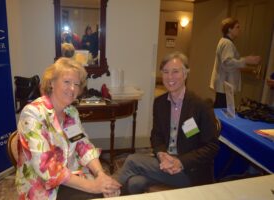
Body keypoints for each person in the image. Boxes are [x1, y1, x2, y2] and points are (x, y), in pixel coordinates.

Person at [15, 58, 121, 200]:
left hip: (71, 178)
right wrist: (93, 186)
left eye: (77, 84)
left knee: (113, 190)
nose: (72, 88)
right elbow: (45, 167)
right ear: (52, 83)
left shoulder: (71, 112)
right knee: (97, 194)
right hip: (43, 188)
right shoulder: (33, 113)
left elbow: (84, 146)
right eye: (67, 82)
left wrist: (100, 175)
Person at [116, 52, 219, 194]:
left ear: (185, 74)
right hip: (165, 163)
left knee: (132, 161)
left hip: (189, 170)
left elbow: (211, 147)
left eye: (175, 71)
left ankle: (109, 195)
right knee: (135, 183)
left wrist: (181, 162)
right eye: (165, 72)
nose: (170, 77)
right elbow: (156, 135)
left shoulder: (200, 105)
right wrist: (161, 154)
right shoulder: (159, 103)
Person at [210, 17, 261, 108]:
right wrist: (246, 60)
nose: (239, 30)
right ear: (229, 29)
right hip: (225, 84)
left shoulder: (224, 42)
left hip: (224, 84)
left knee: (222, 110)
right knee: (222, 112)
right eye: (237, 27)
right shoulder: (227, 43)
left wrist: (245, 59)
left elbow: (230, 61)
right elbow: (227, 62)